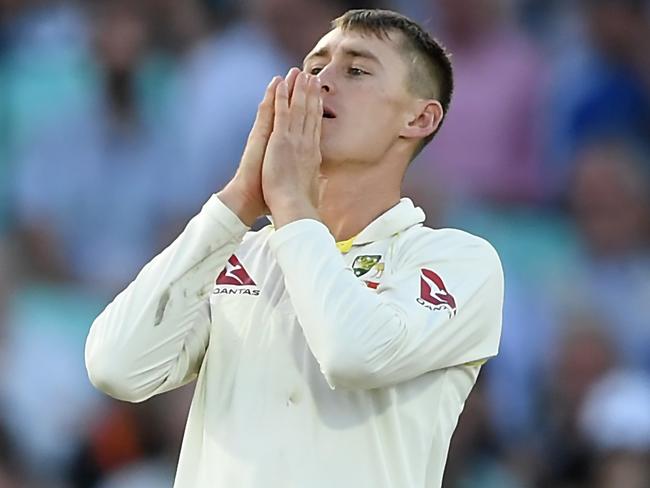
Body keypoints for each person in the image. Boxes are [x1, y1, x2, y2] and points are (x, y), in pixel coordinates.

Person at [85, 9, 504, 488]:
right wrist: (237, 202)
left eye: (357, 70)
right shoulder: (242, 253)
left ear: (420, 117)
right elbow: (116, 366)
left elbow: (353, 355)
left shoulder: (460, 262)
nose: (320, 81)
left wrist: (290, 203)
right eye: (314, 67)